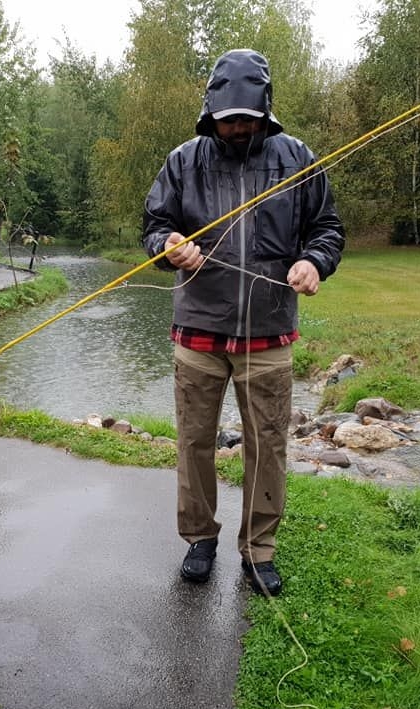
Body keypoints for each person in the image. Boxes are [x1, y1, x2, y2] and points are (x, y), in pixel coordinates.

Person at [142, 49, 345, 596]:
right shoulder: (183, 160)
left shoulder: (298, 157)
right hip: (198, 332)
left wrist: (313, 261)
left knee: (269, 444)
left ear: (264, 112)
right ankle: (199, 540)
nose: (235, 127)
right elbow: (153, 225)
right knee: (193, 443)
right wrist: (167, 245)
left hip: (269, 332)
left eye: (245, 119)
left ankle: (258, 551)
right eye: (226, 118)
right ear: (210, 112)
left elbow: (327, 228)